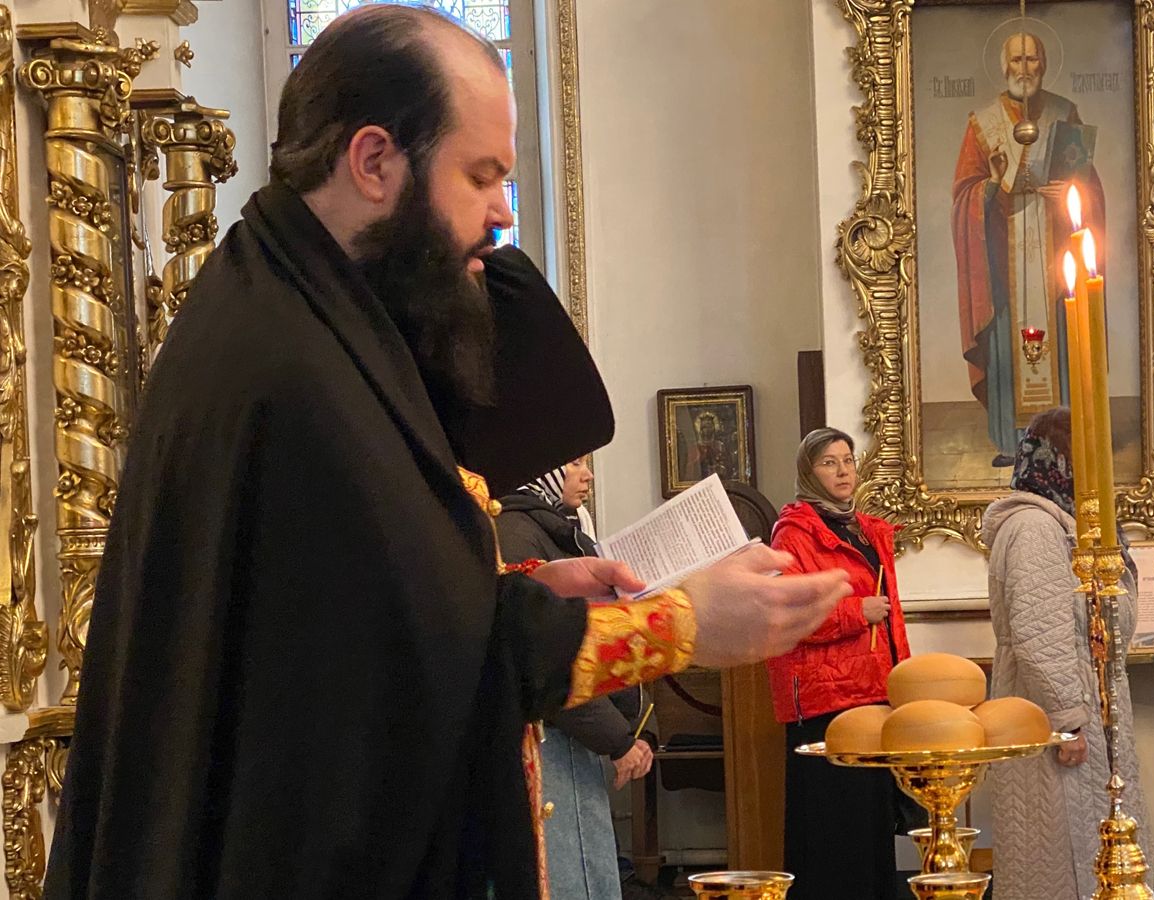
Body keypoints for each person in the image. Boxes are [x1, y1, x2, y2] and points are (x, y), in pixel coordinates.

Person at [43, 7, 852, 899]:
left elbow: (361, 607)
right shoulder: (287, 365)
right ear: (374, 161)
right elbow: (408, 659)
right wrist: (682, 625)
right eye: (481, 176)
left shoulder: (302, 308)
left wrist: (516, 582)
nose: (501, 215)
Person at [981, 407, 1154, 899]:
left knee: (1100, 845)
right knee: (1065, 857)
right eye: (1087, 459)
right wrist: (1067, 720)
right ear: (1059, 460)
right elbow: (1040, 631)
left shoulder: (1064, 520)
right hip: (1056, 718)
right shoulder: (1035, 527)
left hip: (1086, 701)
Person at [766, 427, 912, 900]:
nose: (843, 470)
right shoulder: (793, 533)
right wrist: (855, 613)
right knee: (832, 830)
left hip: (873, 692)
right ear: (809, 472)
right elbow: (788, 612)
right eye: (829, 462)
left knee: (871, 828)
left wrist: (904, 682)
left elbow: (891, 619)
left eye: (847, 460)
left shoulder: (866, 529)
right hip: (824, 701)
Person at [497, 459, 650, 900]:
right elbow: (546, 656)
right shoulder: (516, 529)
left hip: (571, 736)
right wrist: (616, 739)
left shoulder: (546, 523)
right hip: (553, 741)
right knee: (574, 878)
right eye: (576, 462)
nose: (587, 474)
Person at [952, 31, 1105, 464]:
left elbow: (1088, 185)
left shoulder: (1063, 113)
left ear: (1044, 63)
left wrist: (1070, 195)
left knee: (1061, 341)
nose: (1024, 69)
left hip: (1055, 262)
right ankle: (1012, 441)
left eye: (1032, 59)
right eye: (1017, 60)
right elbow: (963, 196)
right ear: (1004, 66)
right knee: (1010, 346)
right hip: (1005, 268)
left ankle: (1065, 442)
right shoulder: (981, 123)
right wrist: (992, 185)